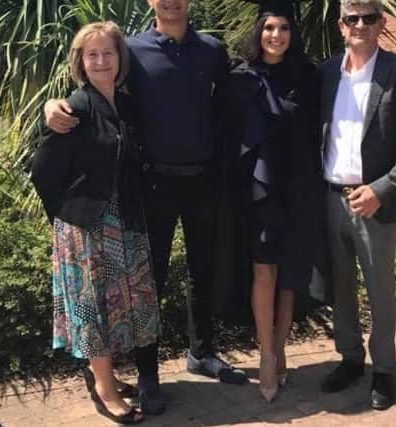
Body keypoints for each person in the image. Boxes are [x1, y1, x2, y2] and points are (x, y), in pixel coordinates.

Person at [43, 0, 248, 415]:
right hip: (151, 185)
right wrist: (50, 107)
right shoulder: (130, 50)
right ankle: (148, 375)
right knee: (146, 283)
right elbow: (91, 92)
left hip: (203, 179)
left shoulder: (211, 49)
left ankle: (202, 353)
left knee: (201, 269)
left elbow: (233, 103)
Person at [30, 21, 161, 424]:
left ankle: (101, 372)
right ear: (81, 62)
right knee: (96, 307)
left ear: (120, 58)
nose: (101, 61)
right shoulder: (76, 107)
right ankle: (105, 387)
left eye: (108, 53)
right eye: (92, 54)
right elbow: (42, 169)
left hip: (125, 222)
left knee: (124, 304)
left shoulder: (125, 102)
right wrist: (68, 217)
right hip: (87, 226)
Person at [215, 0, 331, 403]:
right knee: (264, 273)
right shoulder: (239, 79)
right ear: (258, 32)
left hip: (298, 188)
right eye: (269, 28)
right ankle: (266, 354)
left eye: (283, 28)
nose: (276, 35)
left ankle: (280, 348)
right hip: (259, 192)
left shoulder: (308, 76)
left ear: (292, 33)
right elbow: (228, 137)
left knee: (290, 277)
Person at [318, 0, 396, 410]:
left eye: (369, 17)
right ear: (341, 25)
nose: (360, 25)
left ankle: (384, 368)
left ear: (382, 22)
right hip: (331, 198)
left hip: (375, 203)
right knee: (341, 288)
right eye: (353, 18)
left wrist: (381, 189)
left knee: (380, 290)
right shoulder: (327, 73)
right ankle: (350, 358)